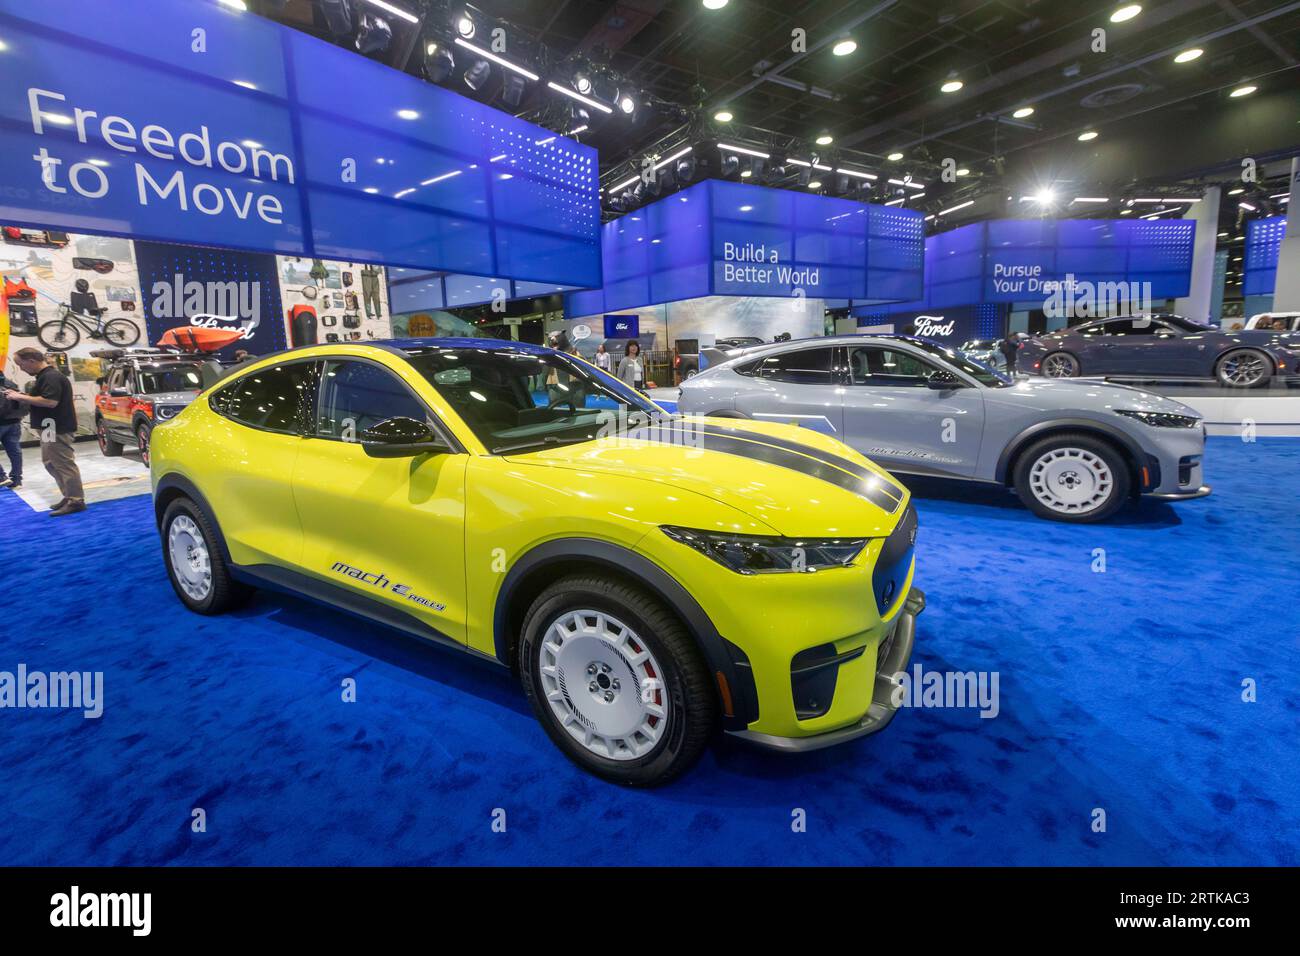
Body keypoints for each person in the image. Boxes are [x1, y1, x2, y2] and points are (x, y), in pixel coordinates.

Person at [3, 348, 85, 515]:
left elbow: (50, 402)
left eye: (21, 364)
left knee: (63, 463)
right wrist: (22, 395)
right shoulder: (44, 377)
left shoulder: (51, 377)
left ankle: (76, 500)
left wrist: (21, 397)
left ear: (31, 361)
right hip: (49, 426)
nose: (21, 368)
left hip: (56, 426)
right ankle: (69, 496)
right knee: (51, 463)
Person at [0, 369, 24, 490]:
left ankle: (2, 477)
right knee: (15, 451)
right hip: (14, 422)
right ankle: (17, 479)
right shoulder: (10, 384)